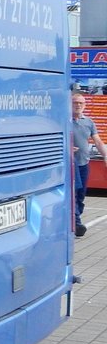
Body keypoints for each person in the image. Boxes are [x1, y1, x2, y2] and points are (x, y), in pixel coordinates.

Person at [71, 92, 107, 236]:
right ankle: (77, 223)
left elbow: (97, 141)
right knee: (74, 192)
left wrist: (105, 155)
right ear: (70, 104)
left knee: (81, 194)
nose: (78, 105)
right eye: (75, 103)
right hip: (71, 164)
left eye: (81, 103)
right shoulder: (64, 121)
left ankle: (74, 218)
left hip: (84, 163)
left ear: (84, 105)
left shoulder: (89, 122)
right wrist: (67, 148)